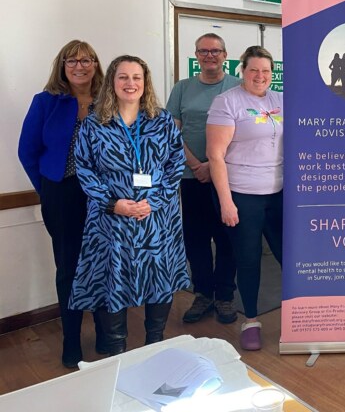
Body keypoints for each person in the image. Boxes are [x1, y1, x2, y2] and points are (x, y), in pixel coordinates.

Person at [69, 55, 189, 355]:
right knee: (111, 277)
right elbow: (84, 168)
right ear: (112, 81)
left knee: (158, 276)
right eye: (123, 77)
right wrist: (112, 204)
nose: (130, 83)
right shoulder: (94, 123)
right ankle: (117, 351)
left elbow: (176, 163)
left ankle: (155, 345)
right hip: (110, 219)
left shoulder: (161, 120)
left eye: (137, 77)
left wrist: (154, 201)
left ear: (145, 82)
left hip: (156, 217)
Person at [18, 40, 105, 368]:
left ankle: (106, 332)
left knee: (105, 264)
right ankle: (72, 340)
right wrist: (47, 189)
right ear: (62, 66)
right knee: (69, 268)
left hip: (104, 197)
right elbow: (27, 151)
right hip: (62, 194)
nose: (79, 66)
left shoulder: (108, 101)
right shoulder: (46, 102)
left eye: (86, 60)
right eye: (72, 61)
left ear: (95, 65)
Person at [207, 46, 284, 351]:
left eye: (265, 71)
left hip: (278, 194)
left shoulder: (281, 100)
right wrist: (226, 202)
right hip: (242, 194)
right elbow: (215, 155)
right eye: (253, 70)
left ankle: (299, 315)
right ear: (243, 70)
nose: (260, 76)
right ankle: (251, 320)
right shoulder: (227, 101)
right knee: (249, 259)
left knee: (289, 256)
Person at [167, 33, 240, 325]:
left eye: (215, 51)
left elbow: (244, 131)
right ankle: (203, 294)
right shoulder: (182, 88)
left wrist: (214, 164)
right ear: (196, 55)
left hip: (228, 177)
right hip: (191, 176)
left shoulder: (237, 86)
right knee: (195, 238)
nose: (210, 56)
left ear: (225, 55)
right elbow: (172, 132)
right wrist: (197, 165)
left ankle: (225, 296)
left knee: (227, 238)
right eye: (204, 51)